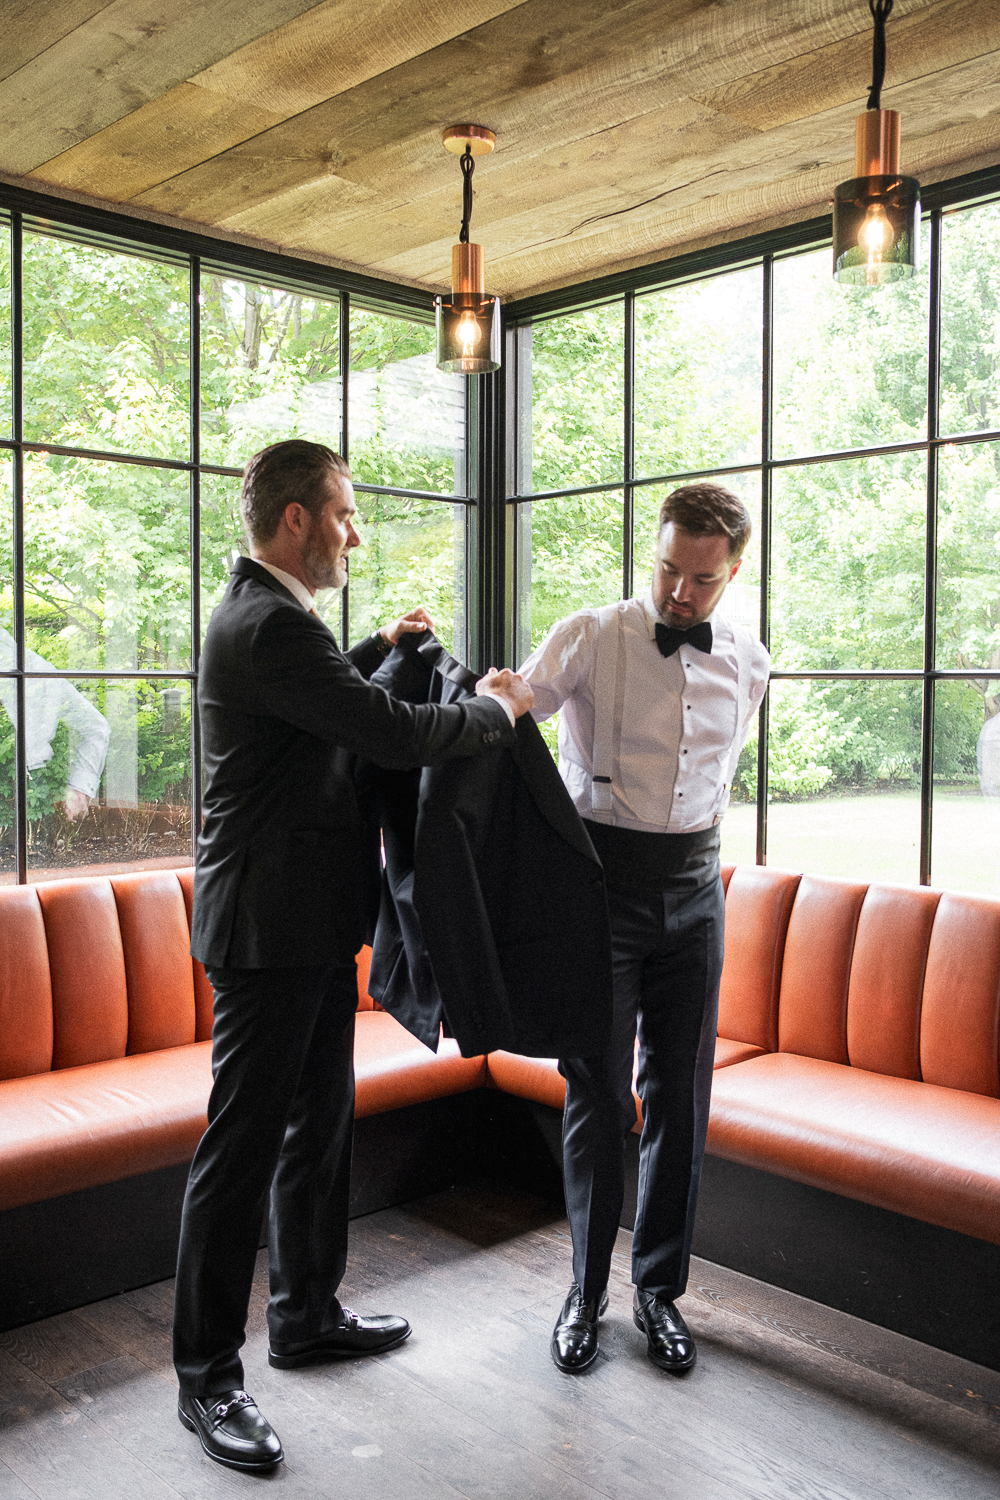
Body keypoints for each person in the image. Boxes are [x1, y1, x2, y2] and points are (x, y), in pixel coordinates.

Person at [173, 439, 533, 1473]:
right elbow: (383, 730)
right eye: (342, 514)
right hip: (266, 932)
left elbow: (323, 720)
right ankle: (207, 1381)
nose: (353, 533)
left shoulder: (284, 623)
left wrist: (380, 642)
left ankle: (305, 1312)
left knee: (316, 1126)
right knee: (238, 1153)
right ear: (295, 520)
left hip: (317, 921)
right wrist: (495, 711)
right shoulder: (264, 626)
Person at [519, 482, 770, 1375]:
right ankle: (584, 1292)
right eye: (668, 569)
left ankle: (659, 1291)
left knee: (681, 1097)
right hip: (600, 888)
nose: (678, 593)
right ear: (653, 551)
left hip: (697, 891)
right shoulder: (590, 633)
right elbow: (514, 709)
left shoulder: (750, 661)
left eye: (701, 580)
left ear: (731, 573)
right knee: (595, 1093)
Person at [0, 627, 110, 821]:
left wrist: (79, 787)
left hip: (32, 790)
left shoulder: (34, 670)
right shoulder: (30, 668)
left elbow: (96, 728)